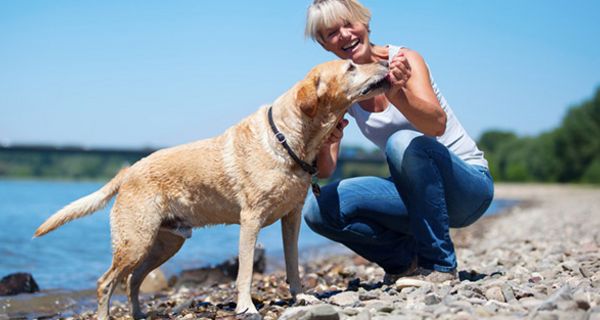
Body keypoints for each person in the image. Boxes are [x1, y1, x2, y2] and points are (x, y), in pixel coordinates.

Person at [302, 0, 494, 283]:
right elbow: (327, 170)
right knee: (318, 209)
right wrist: (325, 140)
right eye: (331, 32)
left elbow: (436, 124)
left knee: (402, 142)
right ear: (323, 44)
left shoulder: (403, 60)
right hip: (415, 197)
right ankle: (405, 261)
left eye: (348, 23)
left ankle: (439, 265)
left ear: (365, 23)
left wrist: (396, 92)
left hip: (468, 187)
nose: (344, 35)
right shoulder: (343, 87)